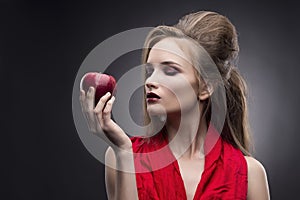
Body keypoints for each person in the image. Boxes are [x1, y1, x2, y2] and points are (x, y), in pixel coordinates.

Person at [79, 11, 270, 200]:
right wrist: (123, 152)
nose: (150, 81)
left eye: (170, 71)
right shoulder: (121, 156)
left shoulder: (250, 174)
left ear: (205, 87)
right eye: (149, 71)